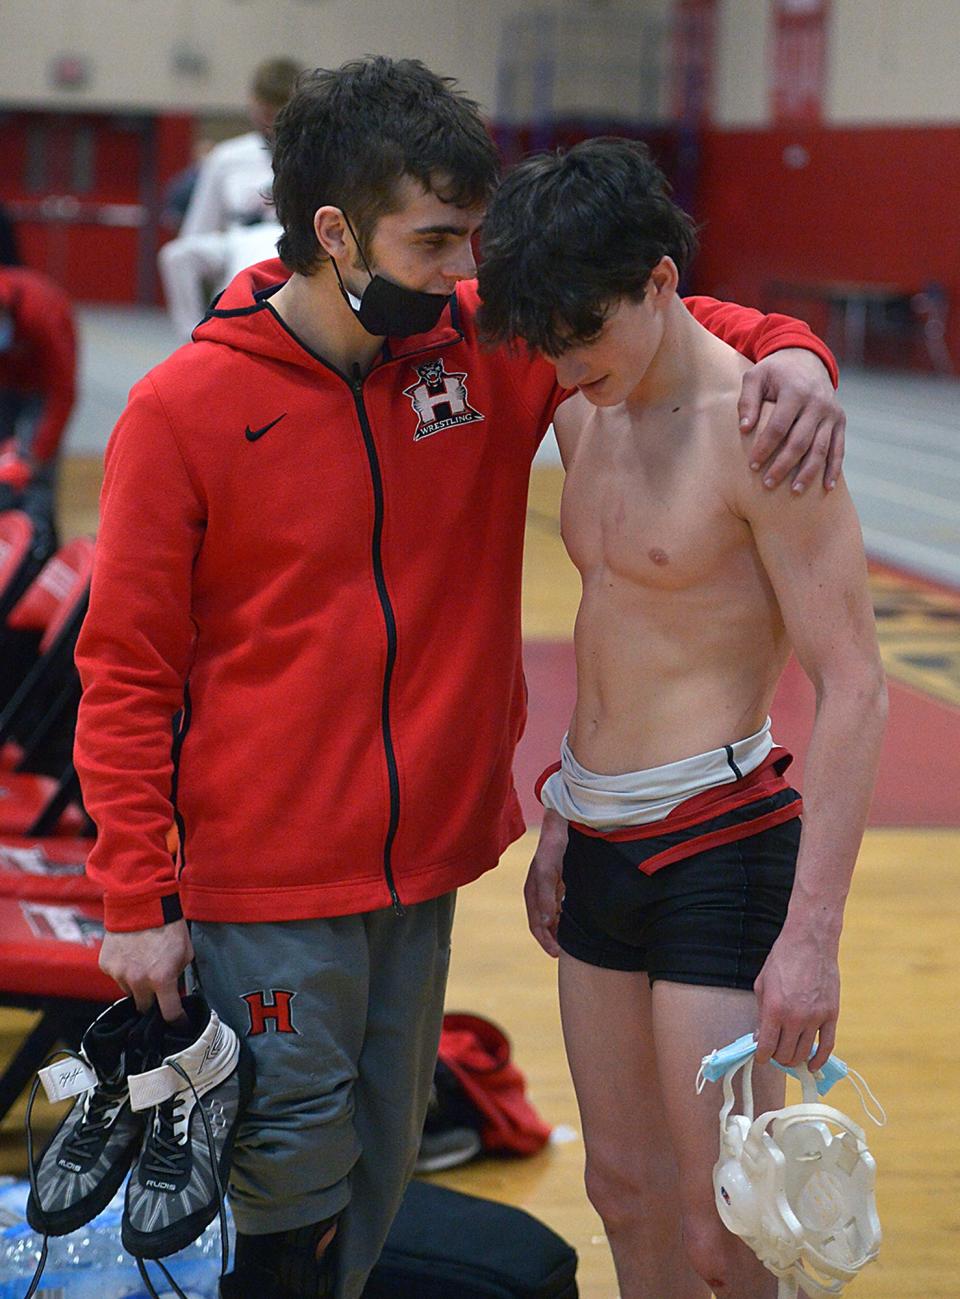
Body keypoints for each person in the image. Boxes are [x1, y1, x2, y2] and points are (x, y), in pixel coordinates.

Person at [73, 59, 848, 1299]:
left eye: (470, 239)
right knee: (292, 1199)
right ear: (335, 232)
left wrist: (794, 351)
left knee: (374, 1182)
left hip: (424, 872)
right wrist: (131, 896)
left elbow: (665, 327)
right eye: (435, 242)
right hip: (263, 884)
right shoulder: (184, 409)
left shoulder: (479, 354)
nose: (465, 273)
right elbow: (121, 671)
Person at [476, 137, 887, 1299]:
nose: (564, 361)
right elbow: (618, 645)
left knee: (728, 1226)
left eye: (584, 333)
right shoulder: (582, 407)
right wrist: (562, 805)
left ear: (660, 282)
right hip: (599, 841)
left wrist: (813, 936)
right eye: (548, 343)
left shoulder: (764, 431)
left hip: (719, 852)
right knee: (624, 1191)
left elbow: (856, 686)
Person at [159, 57, 301, 338]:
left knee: (257, 257)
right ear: (253, 104)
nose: (272, 122)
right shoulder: (227, 157)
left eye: (279, 112)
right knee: (176, 256)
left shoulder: (315, 156)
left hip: (289, 242)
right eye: (266, 112)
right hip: (237, 238)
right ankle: (194, 338)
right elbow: (197, 228)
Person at [0, 264, 77, 556]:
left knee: (37, 475)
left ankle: (39, 548)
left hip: (44, 386)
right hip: (7, 379)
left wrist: (37, 455)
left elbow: (61, 392)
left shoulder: (44, 314)